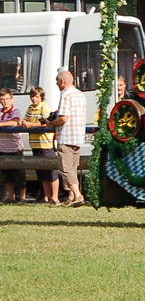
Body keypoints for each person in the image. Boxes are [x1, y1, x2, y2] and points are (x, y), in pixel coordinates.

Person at [43, 69, 87, 206]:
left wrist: (51, 123)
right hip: (78, 136)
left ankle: (78, 195)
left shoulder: (66, 95)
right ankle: (72, 197)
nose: (56, 84)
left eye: (57, 81)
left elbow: (63, 118)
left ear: (62, 81)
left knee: (66, 168)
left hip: (66, 136)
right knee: (73, 167)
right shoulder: (81, 95)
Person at [24, 86, 55, 204]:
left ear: (41, 97)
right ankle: (46, 196)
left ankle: (55, 197)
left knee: (51, 171)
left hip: (45, 144)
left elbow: (46, 124)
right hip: (35, 144)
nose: (34, 99)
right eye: (32, 96)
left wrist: (30, 125)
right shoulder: (30, 108)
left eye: (36, 96)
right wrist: (25, 123)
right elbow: (25, 120)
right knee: (41, 172)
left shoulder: (44, 108)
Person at [0, 89, 25, 203]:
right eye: (2, 99)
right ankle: (11, 197)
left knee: (19, 173)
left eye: (7, 99)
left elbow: (15, 122)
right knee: (6, 174)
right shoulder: (0, 112)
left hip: (14, 147)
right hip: (2, 147)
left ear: (12, 99)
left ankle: (23, 197)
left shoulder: (15, 111)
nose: (5, 102)